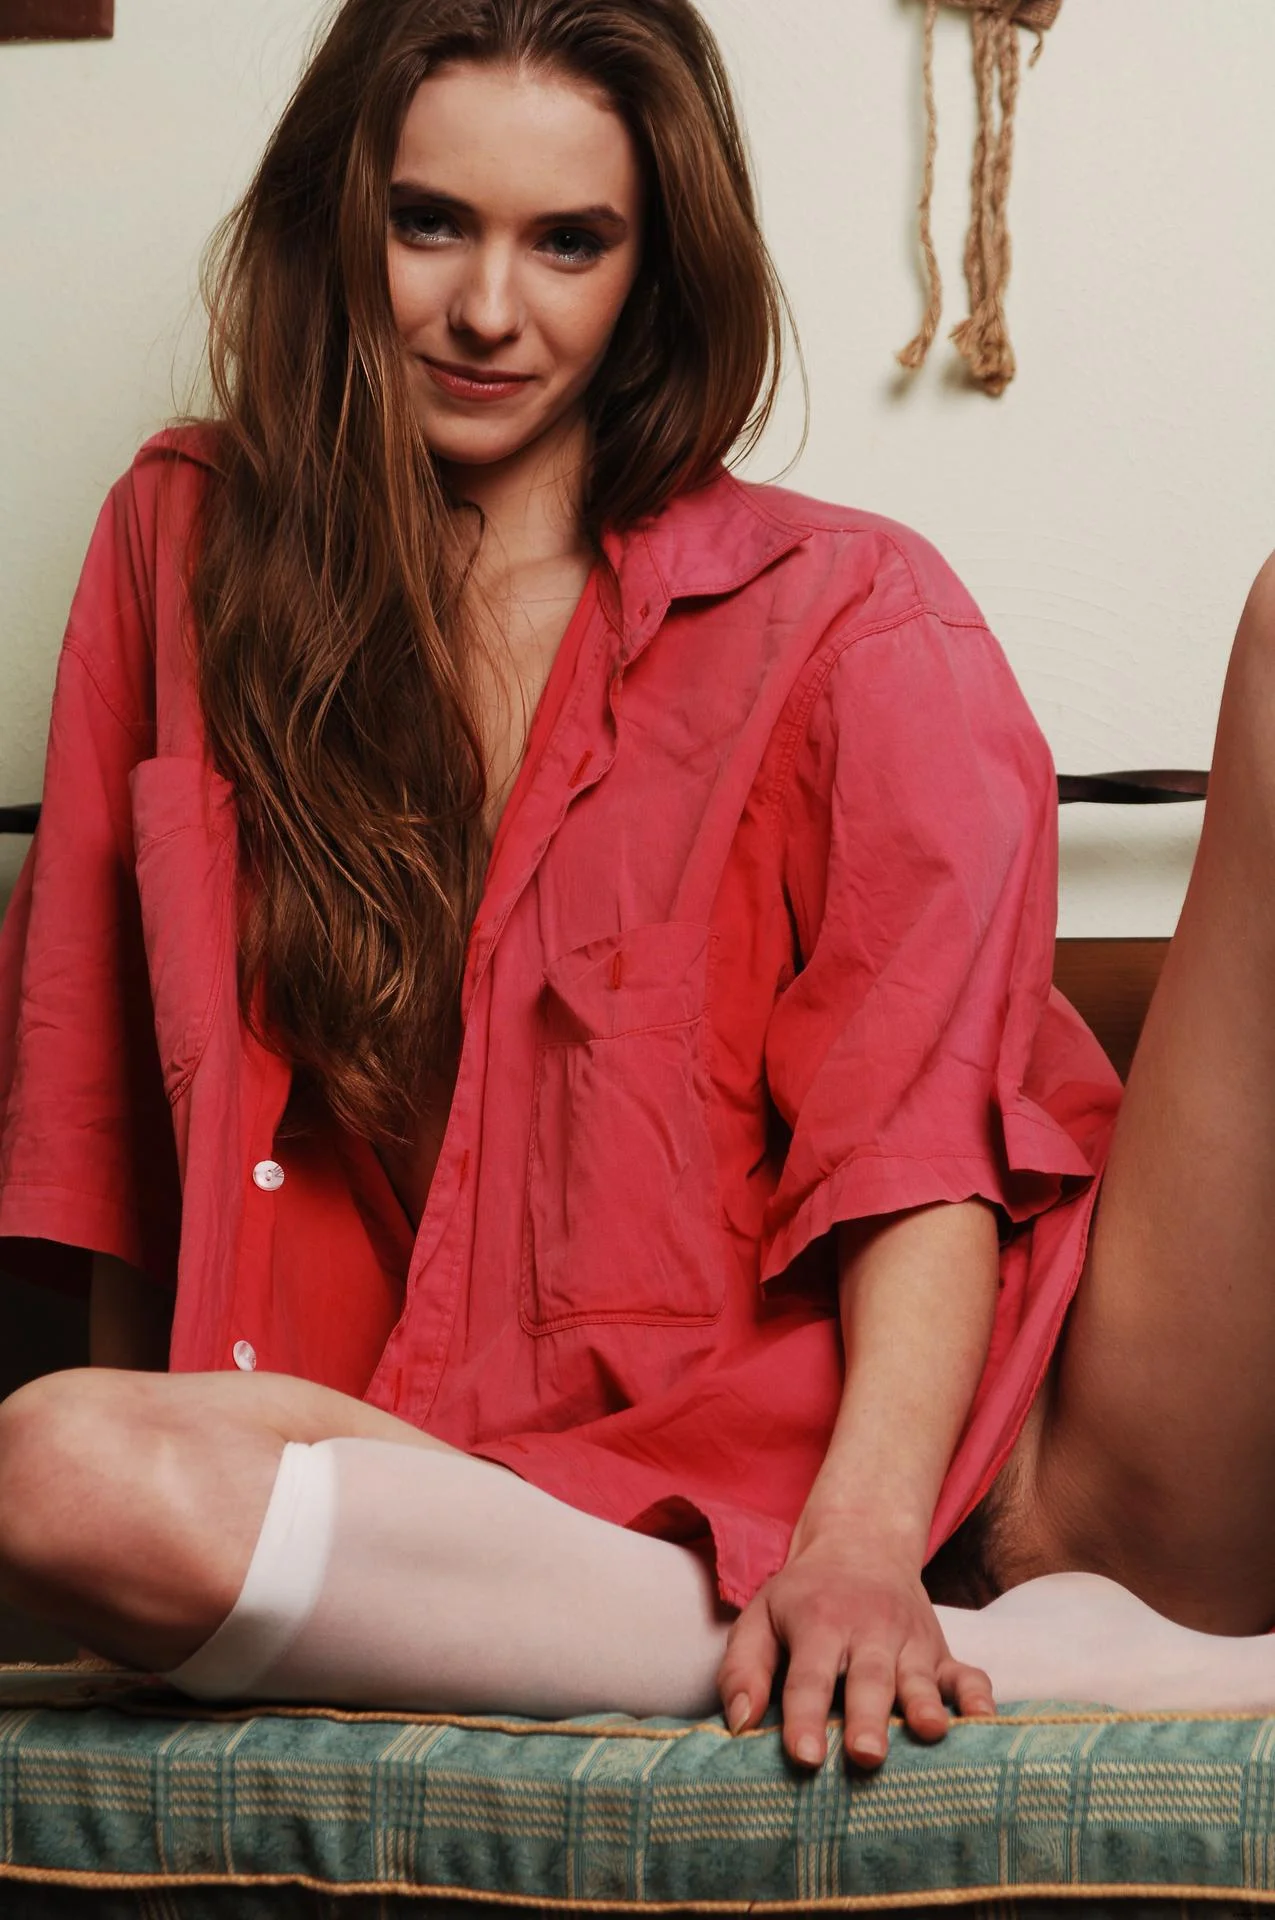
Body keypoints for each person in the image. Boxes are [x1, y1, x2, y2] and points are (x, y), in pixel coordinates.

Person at [2, 0, 1275, 1776]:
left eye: (568, 242)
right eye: (428, 221)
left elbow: (915, 1145)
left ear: (653, 264)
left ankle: (993, 1619)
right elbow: (120, 1131)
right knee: (60, 1471)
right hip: (491, 1499)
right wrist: (150, 1577)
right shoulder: (185, 544)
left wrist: (855, 1548)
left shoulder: (848, 613)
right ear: (333, 218)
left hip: (1026, 1454)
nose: (487, 311)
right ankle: (1034, 1669)